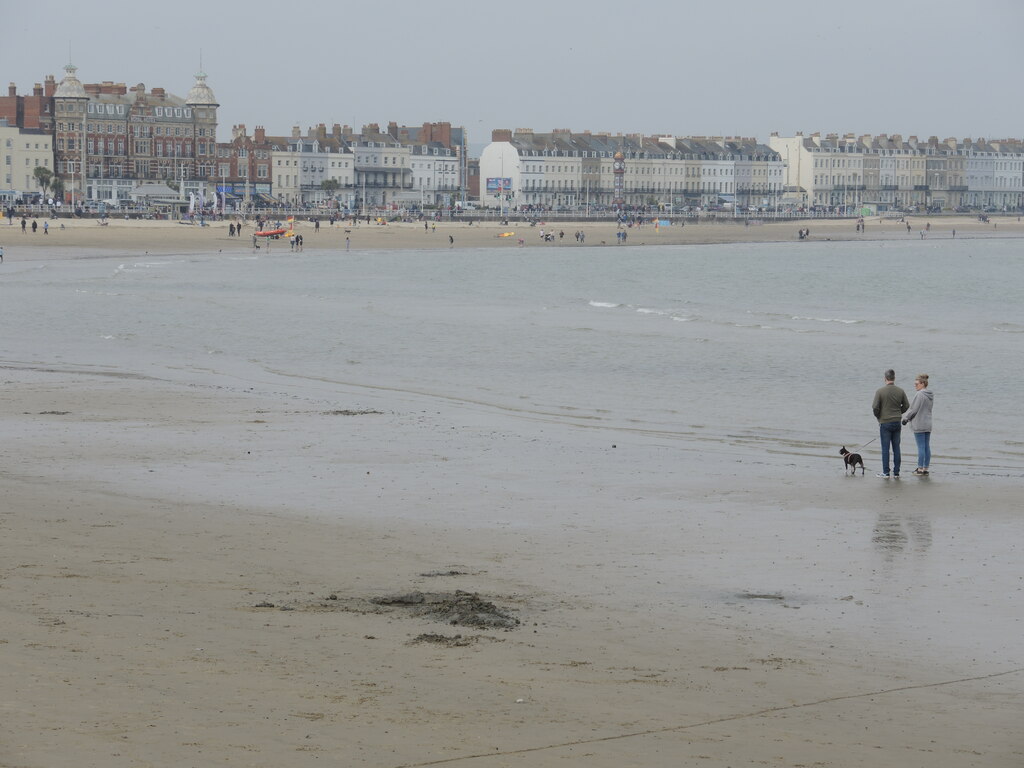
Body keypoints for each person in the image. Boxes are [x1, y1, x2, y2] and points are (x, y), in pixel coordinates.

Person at [872, 369, 910, 478]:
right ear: (894, 378)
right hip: (897, 422)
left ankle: (886, 472)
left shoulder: (880, 391)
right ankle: (896, 472)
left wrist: (879, 416)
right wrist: (899, 412)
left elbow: (875, 407)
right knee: (896, 447)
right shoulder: (900, 391)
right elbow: (906, 405)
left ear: (885, 378)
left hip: (885, 422)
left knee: (885, 448)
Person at [902, 374, 934, 475]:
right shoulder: (930, 394)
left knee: (921, 447)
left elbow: (914, 410)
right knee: (926, 447)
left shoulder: (920, 394)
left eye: (916, 384)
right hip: (928, 423)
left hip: (919, 423)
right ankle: (925, 468)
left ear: (923, 383)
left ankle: (920, 469)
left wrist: (906, 419)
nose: (915, 385)